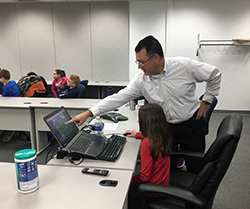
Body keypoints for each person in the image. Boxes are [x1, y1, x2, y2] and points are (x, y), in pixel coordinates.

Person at [66, 35, 221, 172]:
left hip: (191, 124)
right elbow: (118, 98)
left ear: (155, 58)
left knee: (196, 168)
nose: (139, 66)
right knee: (167, 169)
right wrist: (89, 113)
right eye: (137, 62)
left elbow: (214, 74)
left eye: (141, 62)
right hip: (165, 128)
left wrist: (206, 100)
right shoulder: (141, 80)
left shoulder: (184, 66)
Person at [126, 103, 172, 209]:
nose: (138, 121)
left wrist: (129, 180)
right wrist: (138, 135)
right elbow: (152, 136)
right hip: (163, 183)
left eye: (140, 119)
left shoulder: (147, 143)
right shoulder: (164, 134)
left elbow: (144, 176)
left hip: (152, 190)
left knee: (125, 191)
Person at [0, 69, 21, 142]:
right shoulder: (13, 82)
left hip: (12, 104)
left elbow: (3, 96)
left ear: (2, 78)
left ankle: (9, 129)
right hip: (18, 102)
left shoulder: (5, 87)